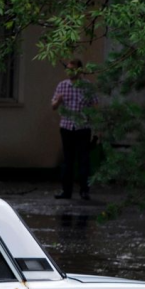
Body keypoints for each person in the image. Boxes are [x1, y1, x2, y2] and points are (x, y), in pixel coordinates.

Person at [51, 58, 99, 200]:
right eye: (68, 69)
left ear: (80, 70)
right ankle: (66, 191)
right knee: (68, 160)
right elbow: (53, 106)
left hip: (82, 127)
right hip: (66, 127)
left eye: (73, 69)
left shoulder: (87, 86)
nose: (70, 71)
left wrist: (95, 123)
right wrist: (58, 101)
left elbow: (95, 106)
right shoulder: (62, 85)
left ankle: (84, 190)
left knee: (84, 160)